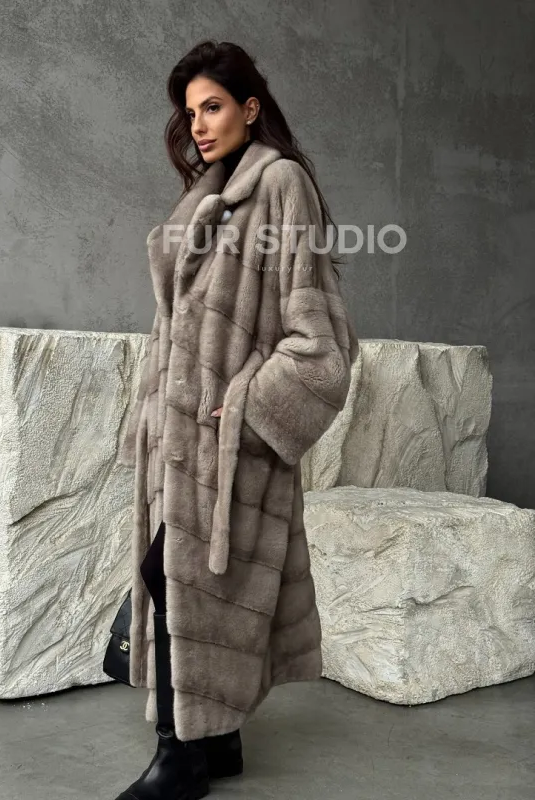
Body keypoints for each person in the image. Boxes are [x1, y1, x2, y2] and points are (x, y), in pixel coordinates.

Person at [114, 39, 359, 800]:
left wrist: (250, 409)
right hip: (180, 443)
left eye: (213, 107)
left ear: (251, 108)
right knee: (177, 580)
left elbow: (322, 346)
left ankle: (180, 757)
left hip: (230, 444)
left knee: (182, 580)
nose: (198, 125)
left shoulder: (281, 184)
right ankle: (216, 744)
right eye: (190, 113)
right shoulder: (208, 197)